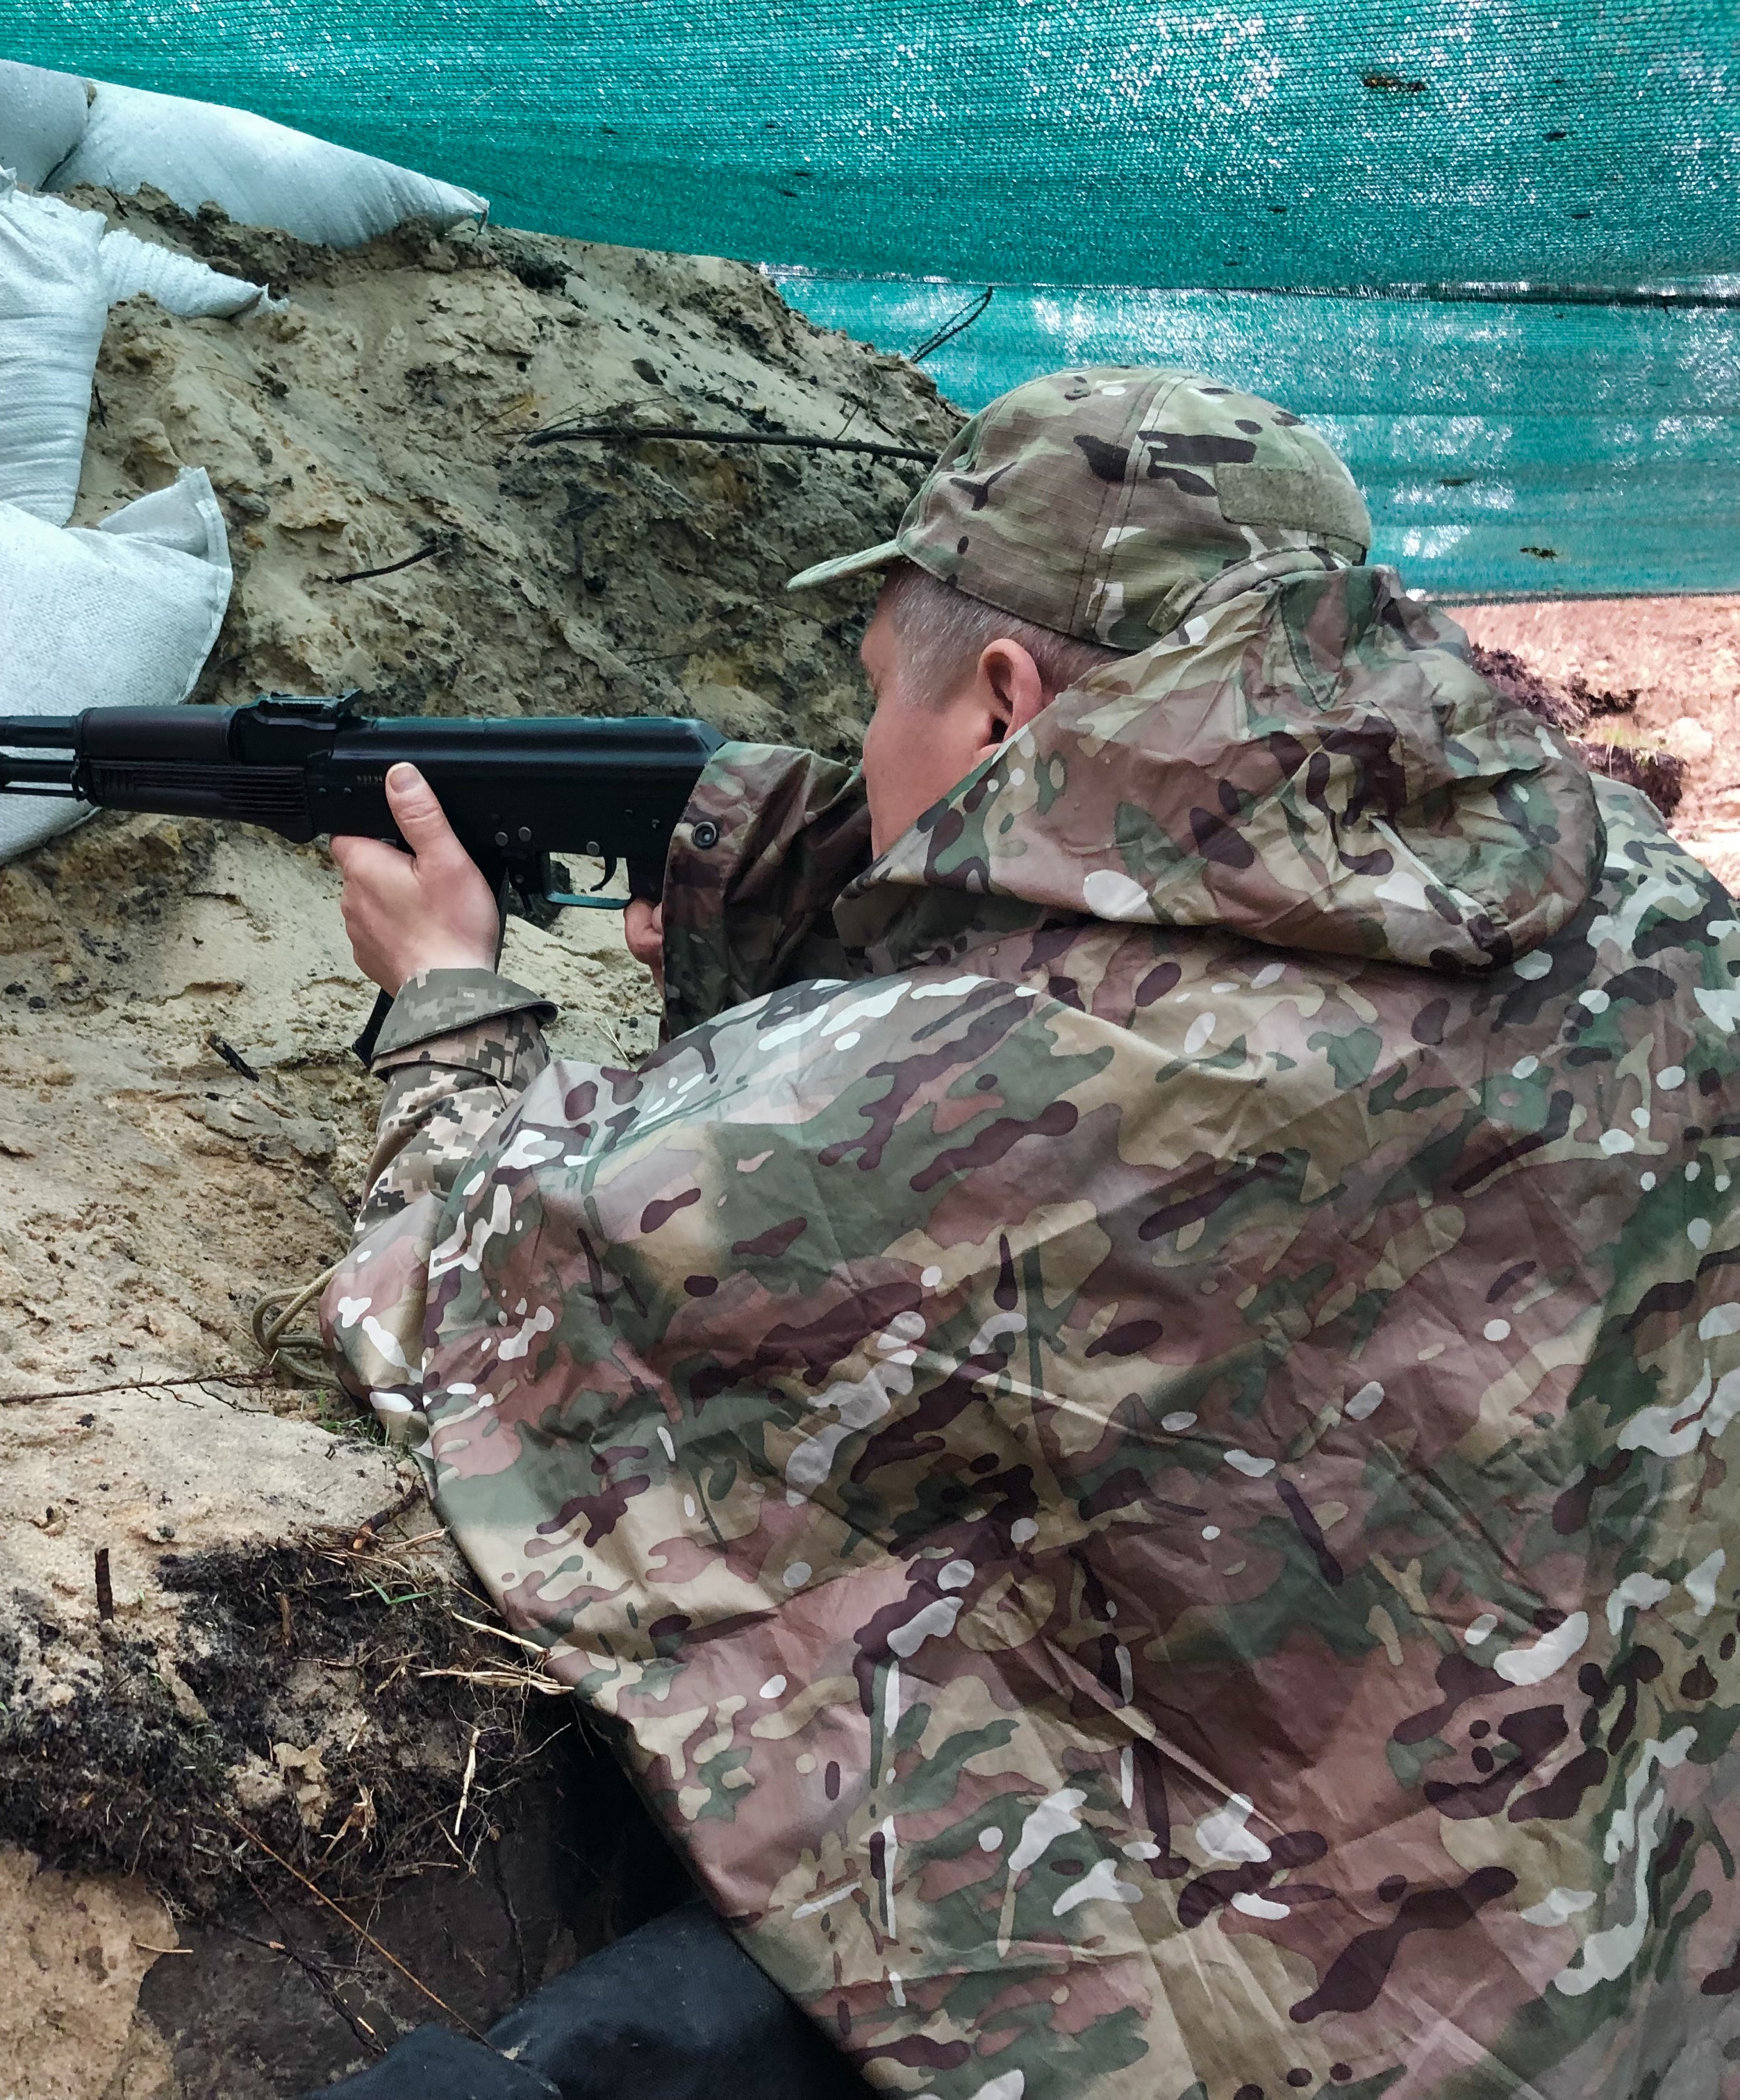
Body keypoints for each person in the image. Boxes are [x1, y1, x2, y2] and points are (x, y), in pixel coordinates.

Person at [306, 365, 1740, 2099]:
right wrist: (779, 873)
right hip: (1666, 1937)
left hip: (1331, 2014)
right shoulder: (1640, 893)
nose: (861, 748)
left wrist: (446, 995)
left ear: (1004, 698)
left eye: (872, 703)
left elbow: (490, 1284)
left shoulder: (1001, 1074)